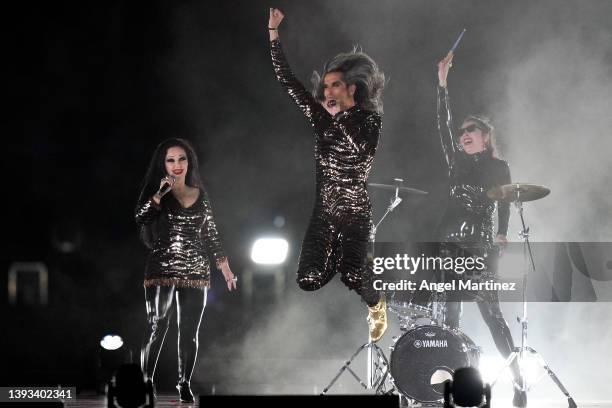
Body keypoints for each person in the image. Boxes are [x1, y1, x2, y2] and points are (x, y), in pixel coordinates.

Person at [268, 8, 387, 342]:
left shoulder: (369, 120)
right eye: (326, 88)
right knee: (307, 279)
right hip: (324, 213)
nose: (328, 92)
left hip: (354, 213)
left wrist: (335, 119)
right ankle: (344, 260)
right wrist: (273, 32)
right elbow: (288, 82)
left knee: (352, 273)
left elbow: (361, 150)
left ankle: (376, 302)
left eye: (335, 86)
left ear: (351, 89)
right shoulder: (323, 122)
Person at [436, 53, 526, 407]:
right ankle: (455, 390)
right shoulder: (456, 162)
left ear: (486, 137)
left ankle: (519, 382)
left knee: (492, 316)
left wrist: (503, 233)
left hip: (479, 246)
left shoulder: (497, 167)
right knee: (450, 316)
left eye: (470, 130)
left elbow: (504, 201)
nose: (462, 135)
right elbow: (441, 125)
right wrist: (442, 84)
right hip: (447, 245)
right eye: (462, 132)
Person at [135, 138, 236, 402]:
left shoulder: (201, 195)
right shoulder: (157, 194)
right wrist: (159, 194)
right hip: (163, 267)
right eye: (171, 160)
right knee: (157, 324)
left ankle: (184, 383)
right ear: (163, 164)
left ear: (189, 162)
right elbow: (141, 218)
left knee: (189, 330)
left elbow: (211, 234)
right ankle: (146, 382)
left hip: (196, 269)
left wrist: (225, 268)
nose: (177, 165)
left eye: (182, 159)